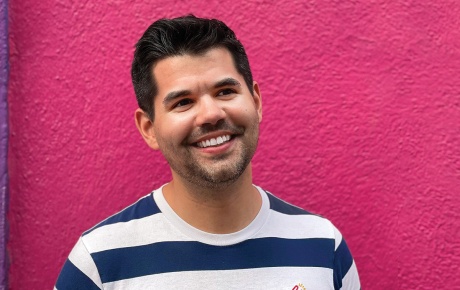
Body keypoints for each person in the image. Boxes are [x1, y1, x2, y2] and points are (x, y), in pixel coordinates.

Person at [55, 15, 360, 290]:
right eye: (183, 102)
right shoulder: (99, 263)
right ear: (149, 128)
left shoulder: (323, 247)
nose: (211, 115)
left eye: (225, 92)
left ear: (255, 101)